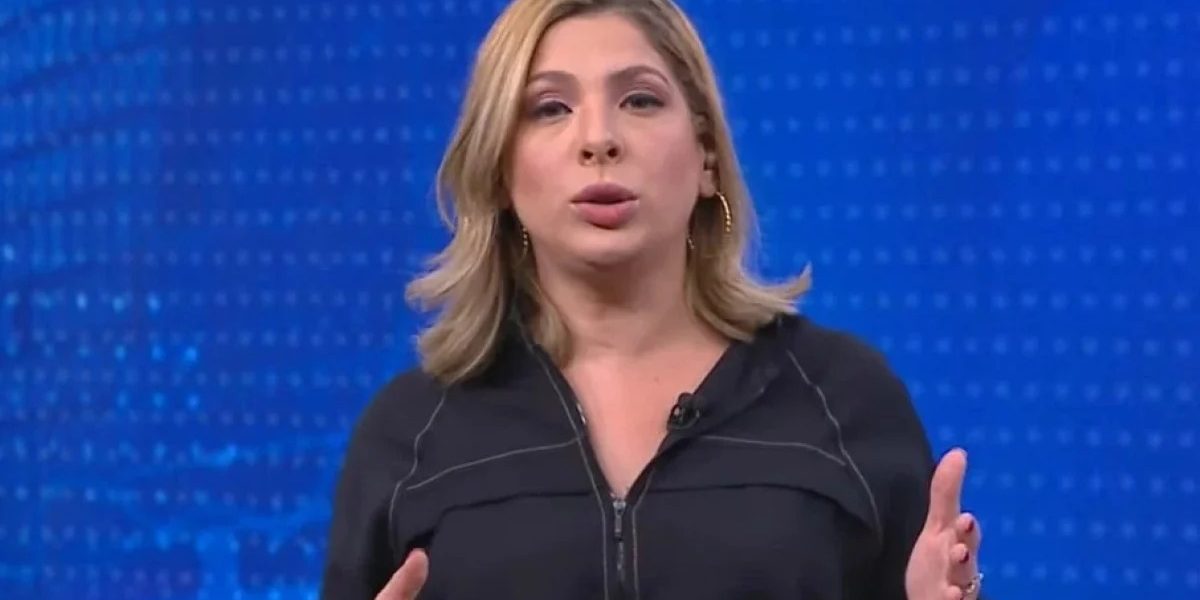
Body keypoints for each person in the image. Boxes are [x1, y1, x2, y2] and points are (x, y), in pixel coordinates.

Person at [320, 0, 986, 598]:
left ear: (707, 157)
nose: (598, 140)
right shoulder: (410, 435)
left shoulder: (843, 399)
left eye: (639, 100)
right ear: (499, 172)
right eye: (549, 108)